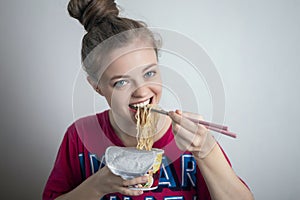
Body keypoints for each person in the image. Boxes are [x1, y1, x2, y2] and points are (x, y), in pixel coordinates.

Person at [43, 0, 254, 199]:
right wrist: (97, 186)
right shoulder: (80, 136)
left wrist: (207, 152)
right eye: (121, 82)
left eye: (149, 73)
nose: (142, 92)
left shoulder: (190, 139)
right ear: (97, 87)